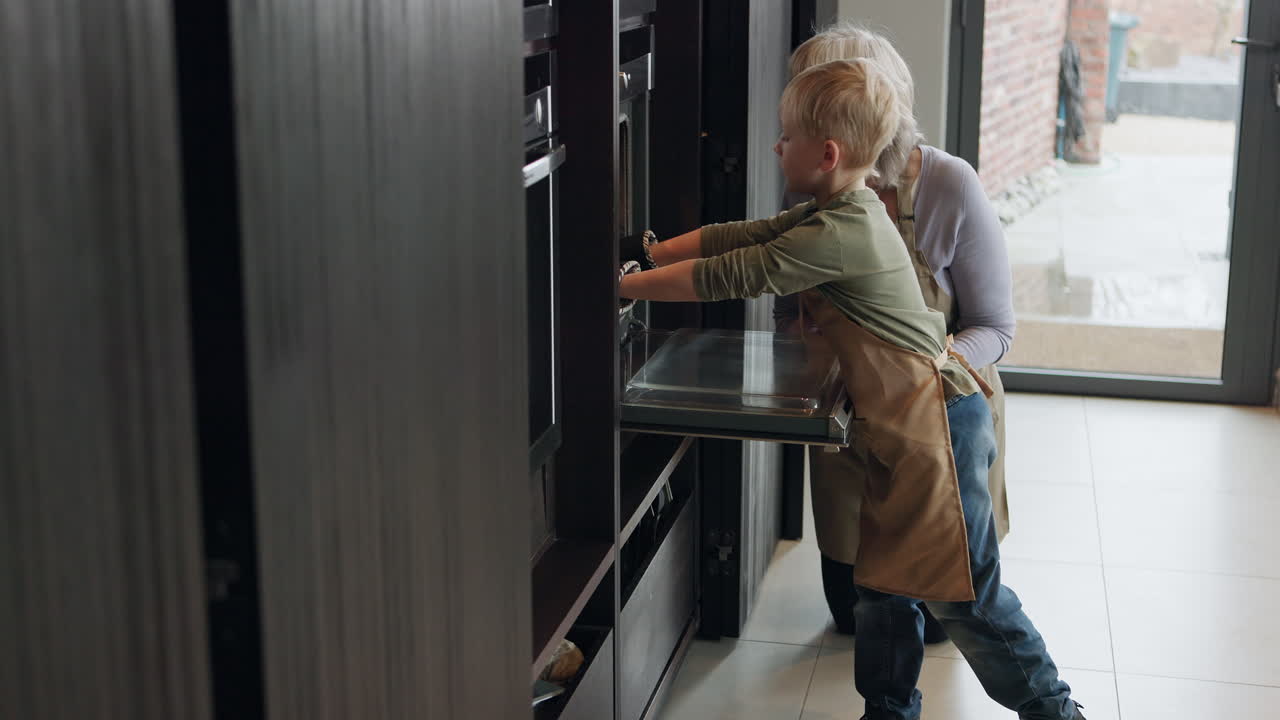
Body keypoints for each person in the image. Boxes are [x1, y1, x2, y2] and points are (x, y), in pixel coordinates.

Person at [617, 58, 1083, 720]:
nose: (776, 146)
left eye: (785, 136)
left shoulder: (843, 231)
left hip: (938, 431)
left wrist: (621, 286)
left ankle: (1058, 714)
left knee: (969, 601)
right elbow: (741, 237)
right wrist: (650, 251)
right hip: (908, 429)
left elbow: (734, 273)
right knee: (883, 590)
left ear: (826, 153)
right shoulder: (840, 206)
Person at [775, 24, 1014, 644]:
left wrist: (928, 373)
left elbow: (995, 326)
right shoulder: (818, 181)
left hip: (937, 420)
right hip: (849, 424)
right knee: (855, 617)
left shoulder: (948, 185)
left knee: (944, 621)